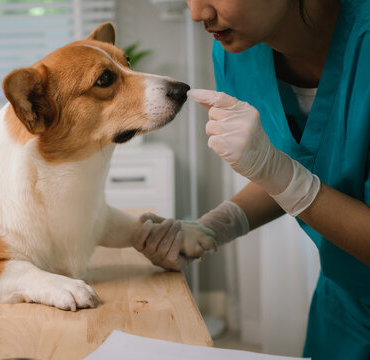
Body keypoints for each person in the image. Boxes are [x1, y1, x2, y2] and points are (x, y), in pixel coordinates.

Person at [132, 0, 370, 359]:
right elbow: (302, 164)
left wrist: (285, 177)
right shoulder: (237, 52)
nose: (198, 14)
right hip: (345, 301)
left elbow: (290, 176)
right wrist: (212, 228)